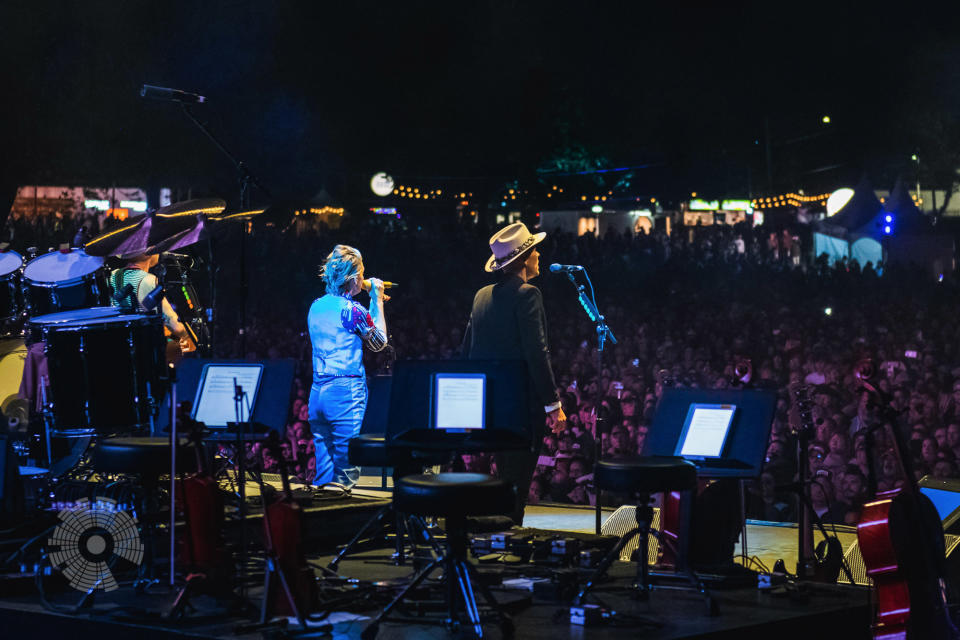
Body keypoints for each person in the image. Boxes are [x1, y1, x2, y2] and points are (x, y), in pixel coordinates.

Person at [461, 222, 566, 524]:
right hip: (520, 408)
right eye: (535, 251)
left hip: (488, 405)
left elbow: (467, 351)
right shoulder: (528, 294)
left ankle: (494, 541)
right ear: (524, 258)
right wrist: (553, 404)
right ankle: (507, 544)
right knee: (516, 483)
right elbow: (537, 352)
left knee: (499, 480)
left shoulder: (481, 296)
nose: (539, 255)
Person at [307, 244, 387, 488]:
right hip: (344, 392)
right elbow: (379, 343)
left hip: (317, 392)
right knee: (345, 471)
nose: (363, 280)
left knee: (324, 471)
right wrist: (377, 299)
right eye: (361, 276)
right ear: (353, 279)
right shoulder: (352, 310)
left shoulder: (316, 305)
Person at [109, 252, 193, 354]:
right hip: (143, 349)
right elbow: (174, 325)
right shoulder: (148, 280)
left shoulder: (112, 275)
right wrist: (190, 336)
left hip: (119, 346)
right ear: (149, 253)